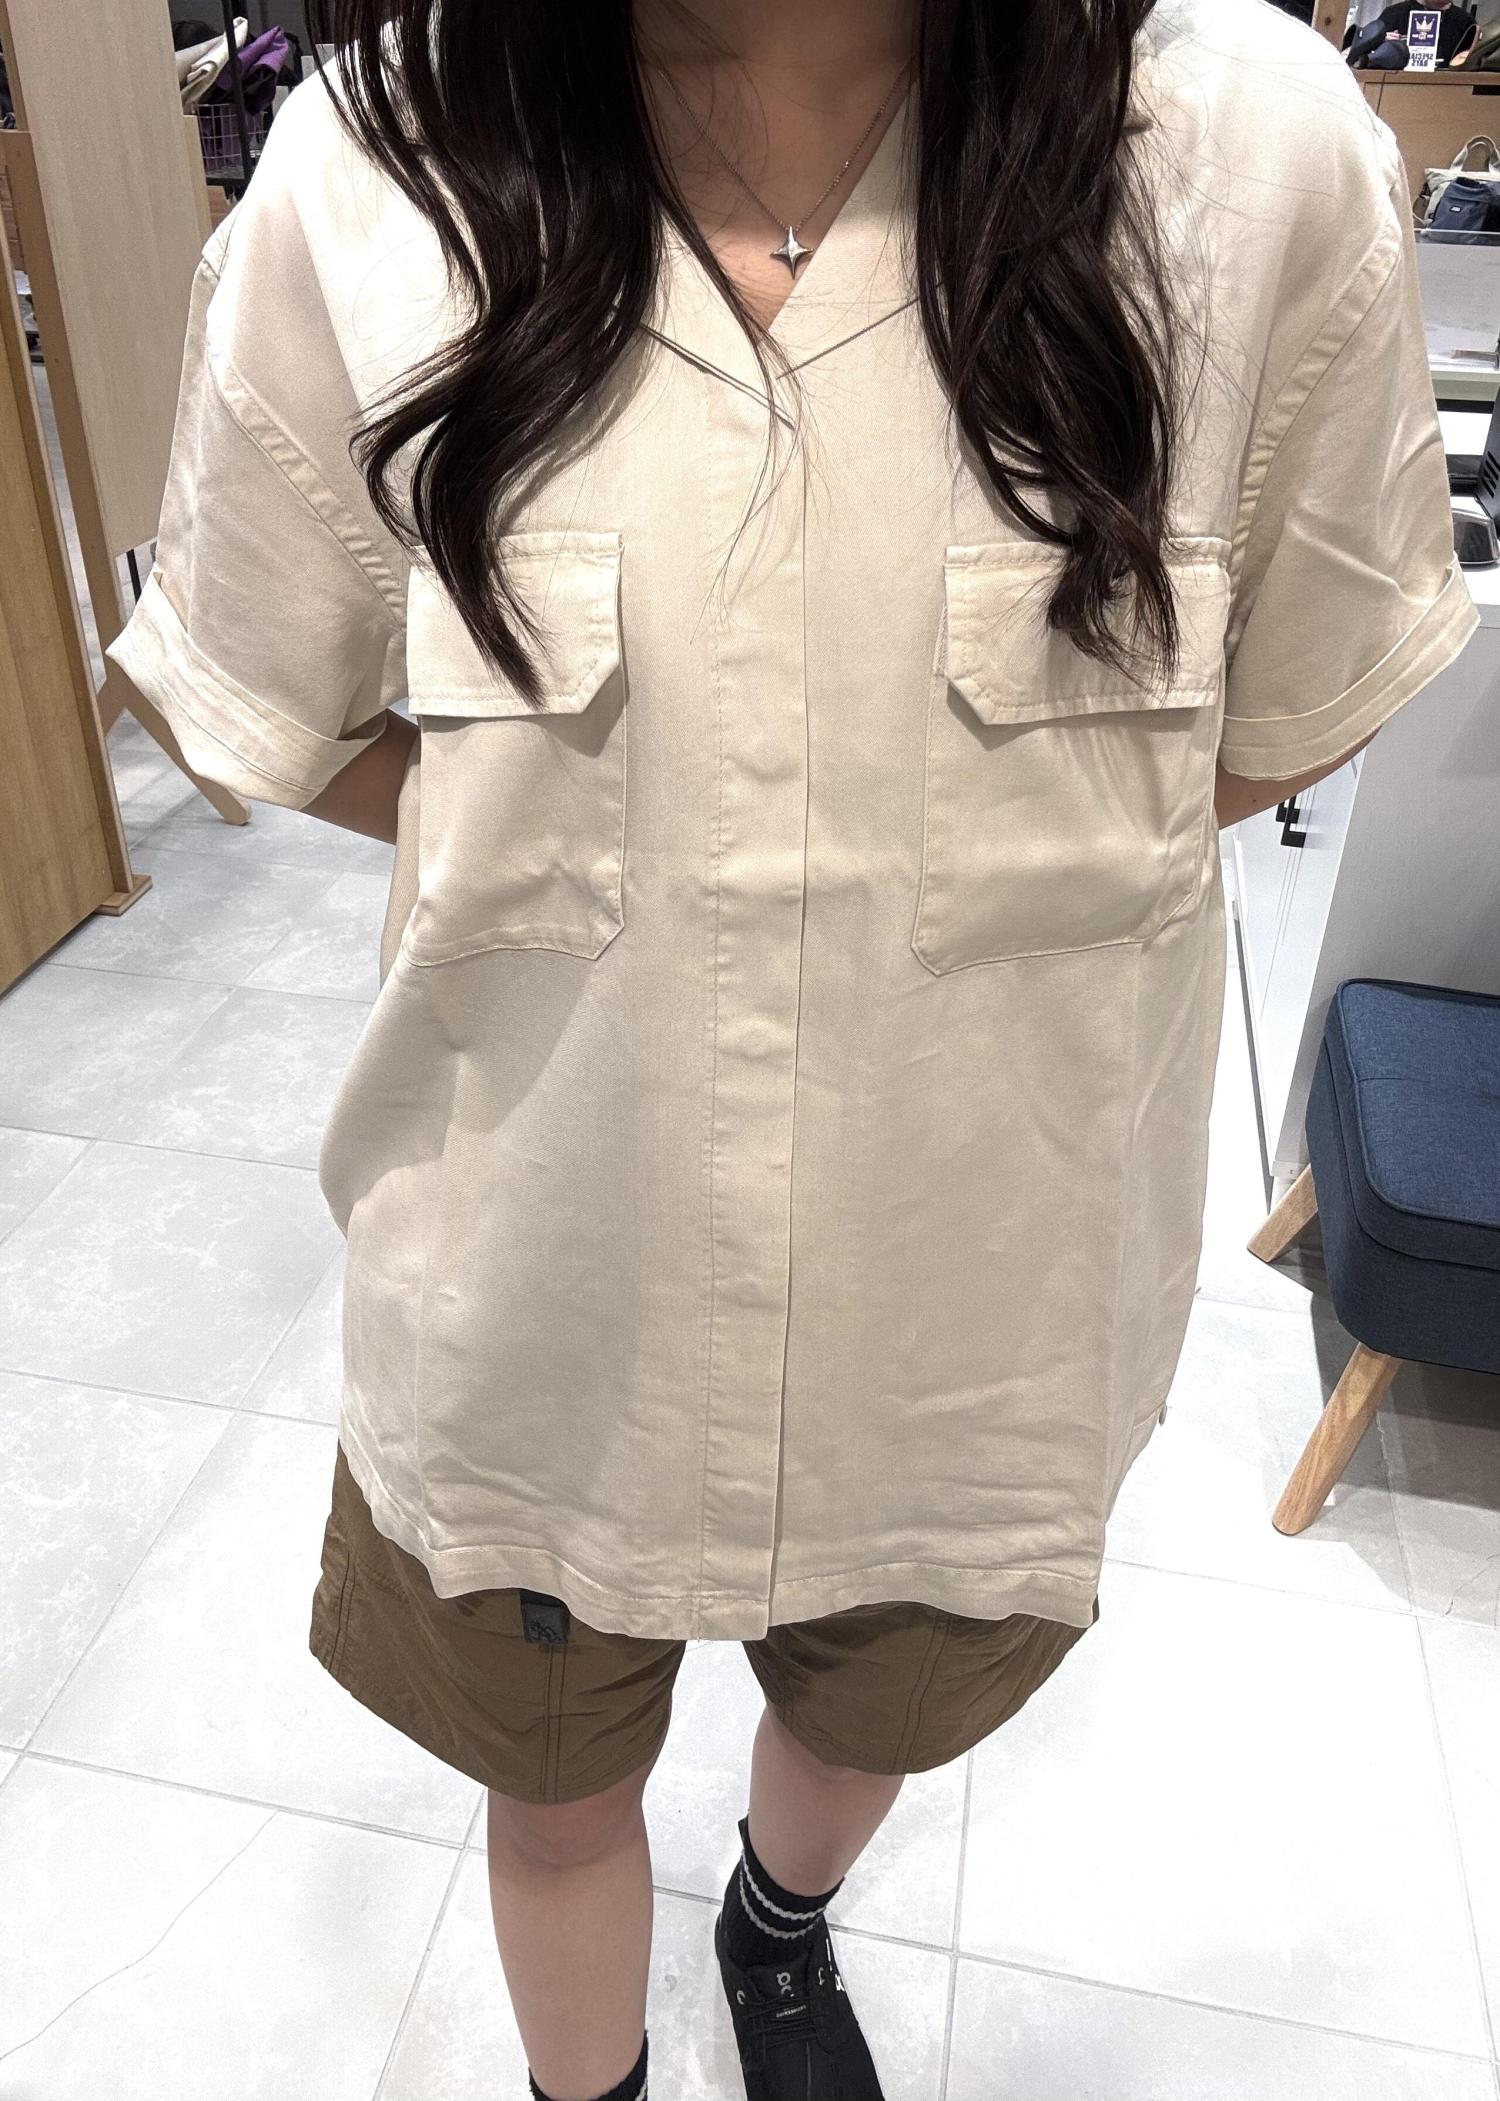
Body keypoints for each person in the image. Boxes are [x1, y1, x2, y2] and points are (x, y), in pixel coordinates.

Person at [105, 0, 1478, 2093]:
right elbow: (292, 703)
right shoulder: (378, 170)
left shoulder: (1251, 161)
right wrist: (599, 825)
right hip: (544, 1281)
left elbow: (1281, 702)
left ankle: (776, 1920)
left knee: (874, 1713)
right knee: (550, 1786)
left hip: (971, 1295)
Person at [1348, 0, 1479, 69]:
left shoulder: (1466, 21)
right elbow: (1365, 60)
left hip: (1446, 89)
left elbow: (1472, 63)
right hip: (1398, 87)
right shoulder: (1394, 13)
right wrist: (1381, 43)